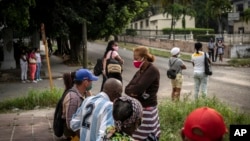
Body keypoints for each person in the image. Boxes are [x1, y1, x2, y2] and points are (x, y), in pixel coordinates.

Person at [125, 46, 161, 140]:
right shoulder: (140, 71)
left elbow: (137, 89)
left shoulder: (152, 70)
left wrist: (135, 92)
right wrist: (134, 92)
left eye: (136, 58)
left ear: (144, 58)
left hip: (148, 109)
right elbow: (127, 89)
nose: (134, 61)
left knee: (148, 136)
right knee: (137, 136)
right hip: (140, 108)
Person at [62, 69, 98, 140]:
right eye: (91, 81)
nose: (92, 83)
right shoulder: (73, 98)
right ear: (85, 82)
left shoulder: (81, 93)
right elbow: (70, 124)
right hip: (73, 135)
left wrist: (88, 92)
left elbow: (93, 103)